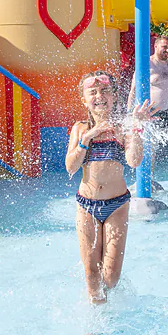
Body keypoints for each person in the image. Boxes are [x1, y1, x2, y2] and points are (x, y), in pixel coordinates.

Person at [65, 71, 156, 304]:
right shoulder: (80, 128)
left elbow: (134, 160)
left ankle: (110, 303)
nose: (99, 95)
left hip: (116, 205)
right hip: (86, 205)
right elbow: (70, 167)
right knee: (91, 273)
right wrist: (88, 137)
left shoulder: (123, 127)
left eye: (105, 90)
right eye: (92, 92)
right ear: (83, 99)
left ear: (114, 96)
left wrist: (136, 128)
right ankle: (97, 320)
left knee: (111, 277)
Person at [127, 36, 168, 174]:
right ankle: (149, 177)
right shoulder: (146, 64)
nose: (167, 50)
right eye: (164, 47)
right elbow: (133, 89)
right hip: (153, 113)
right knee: (150, 148)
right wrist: (130, 113)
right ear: (156, 47)